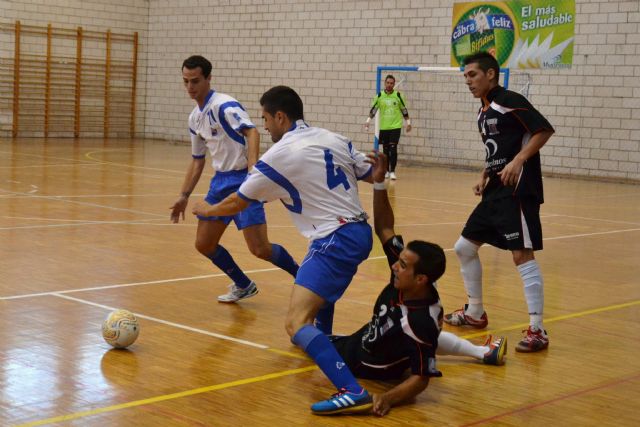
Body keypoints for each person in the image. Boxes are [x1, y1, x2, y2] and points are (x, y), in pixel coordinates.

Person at [192, 85, 376, 414]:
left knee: (295, 323)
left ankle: (351, 389)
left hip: (335, 237)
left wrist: (207, 210)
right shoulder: (334, 137)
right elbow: (372, 172)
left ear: (281, 116)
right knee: (318, 301)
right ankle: (325, 344)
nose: (264, 127)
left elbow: (239, 200)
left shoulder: (280, 153)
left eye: (266, 119)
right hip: (359, 231)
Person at [329, 152, 507, 417]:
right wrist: (379, 183)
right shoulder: (413, 282)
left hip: (365, 362)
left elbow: (421, 379)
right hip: (365, 339)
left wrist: (388, 398)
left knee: (306, 339)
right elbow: (385, 229)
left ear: (421, 278)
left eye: (401, 264)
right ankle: (483, 352)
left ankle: (482, 352)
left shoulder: (419, 321)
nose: (393, 266)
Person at [443, 52, 555, 353]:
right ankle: (475, 313)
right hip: (494, 190)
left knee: (521, 255)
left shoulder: (508, 99)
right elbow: (496, 151)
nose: (468, 81)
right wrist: (484, 174)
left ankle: (538, 329)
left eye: (473, 75)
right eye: (465, 76)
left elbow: (543, 129)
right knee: (464, 248)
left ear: (491, 74)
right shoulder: (483, 112)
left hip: (517, 191)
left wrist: (519, 160)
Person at [170, 56, 298, 303]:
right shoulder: (194, 118)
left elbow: (251, 131)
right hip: (220, 182)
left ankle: (304, 278)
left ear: (208, 78)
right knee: (204, 244)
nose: (190, 87)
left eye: (195, 81)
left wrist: (252, 171)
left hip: (242, 180)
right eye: (185, 81)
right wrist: (183, 196)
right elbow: (198, 160)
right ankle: (243, 284)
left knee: (260, 249)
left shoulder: (225, 106)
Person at [364, 74, 411, 180]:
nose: (389, 85)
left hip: (395, 126)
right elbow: (374, 110)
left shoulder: (398, 95)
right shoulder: (379, 96)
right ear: (385, 83)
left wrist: (408, 122)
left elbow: (404, 109)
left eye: (392, 83)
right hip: (384, 127)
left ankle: (392, 171)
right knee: (385, 151)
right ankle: (385, 170)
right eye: (388, 83)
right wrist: (368, 121)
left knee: (393, 149)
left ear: (394, 84)